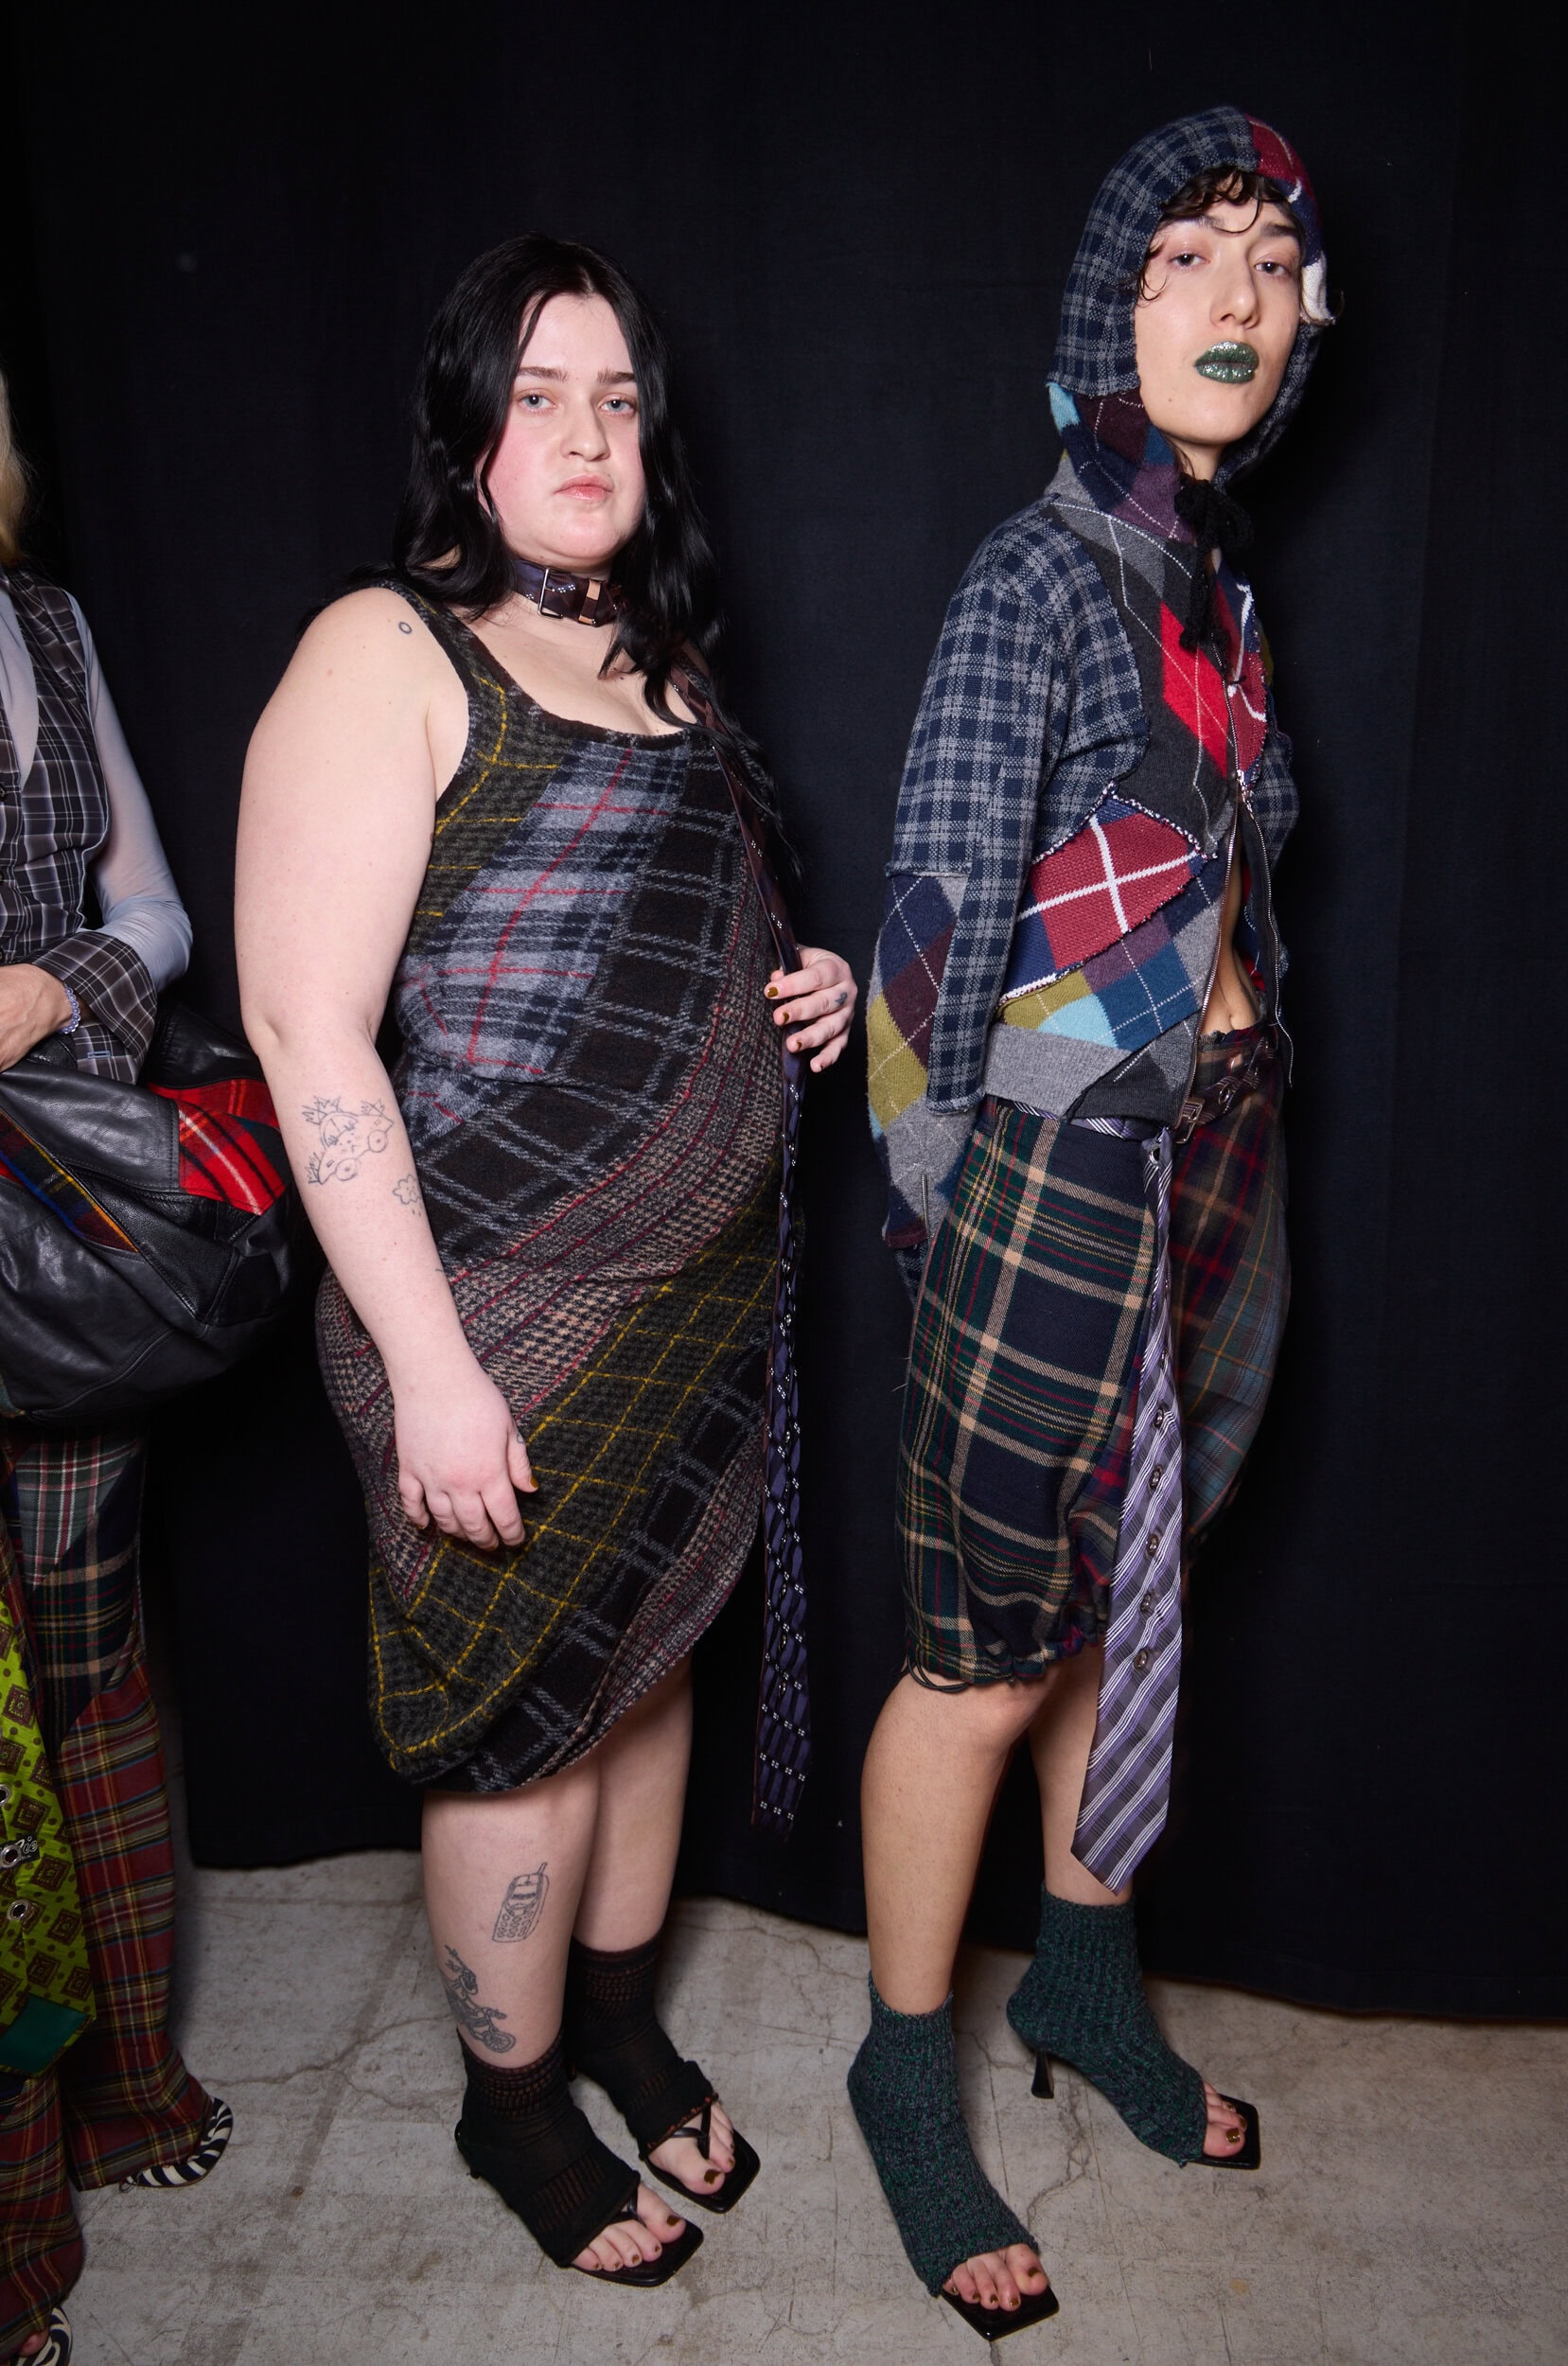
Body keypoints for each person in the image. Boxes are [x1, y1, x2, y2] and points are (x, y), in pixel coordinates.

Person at [235, 235, 855, 2287]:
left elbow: (671, 944)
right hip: (483, 1312)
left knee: (644, 1674)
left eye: (616, 399)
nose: (586, 435)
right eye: (537, 394)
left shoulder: (664, 669)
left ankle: (615, 2026)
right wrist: (430, 1371)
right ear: (468, 430)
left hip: (692, 1309)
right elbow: (310, 1030)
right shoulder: (384, 651)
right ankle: (511, 2110)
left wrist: (815, 992)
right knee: (521, 1726)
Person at [854, 109, 1333, 2336]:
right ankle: (903, 2069)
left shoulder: (1212, 584)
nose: (1235, 299)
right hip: (1046, 1177)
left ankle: (1083, 1978)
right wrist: (943, 1216)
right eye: (1184, 260)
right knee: (980, 1652)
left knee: (1127, 1609)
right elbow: (927, 939)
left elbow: (1234, 884)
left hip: (1212, 1151)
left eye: (1269, 262)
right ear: (1105, 314)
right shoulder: (1037, 576)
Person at [0, 373, 231, 2366]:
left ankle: (130, 2085)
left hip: (59, 1229)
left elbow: (153, 908)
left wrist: (48, 979)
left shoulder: (49, 627)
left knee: (86, 1670)